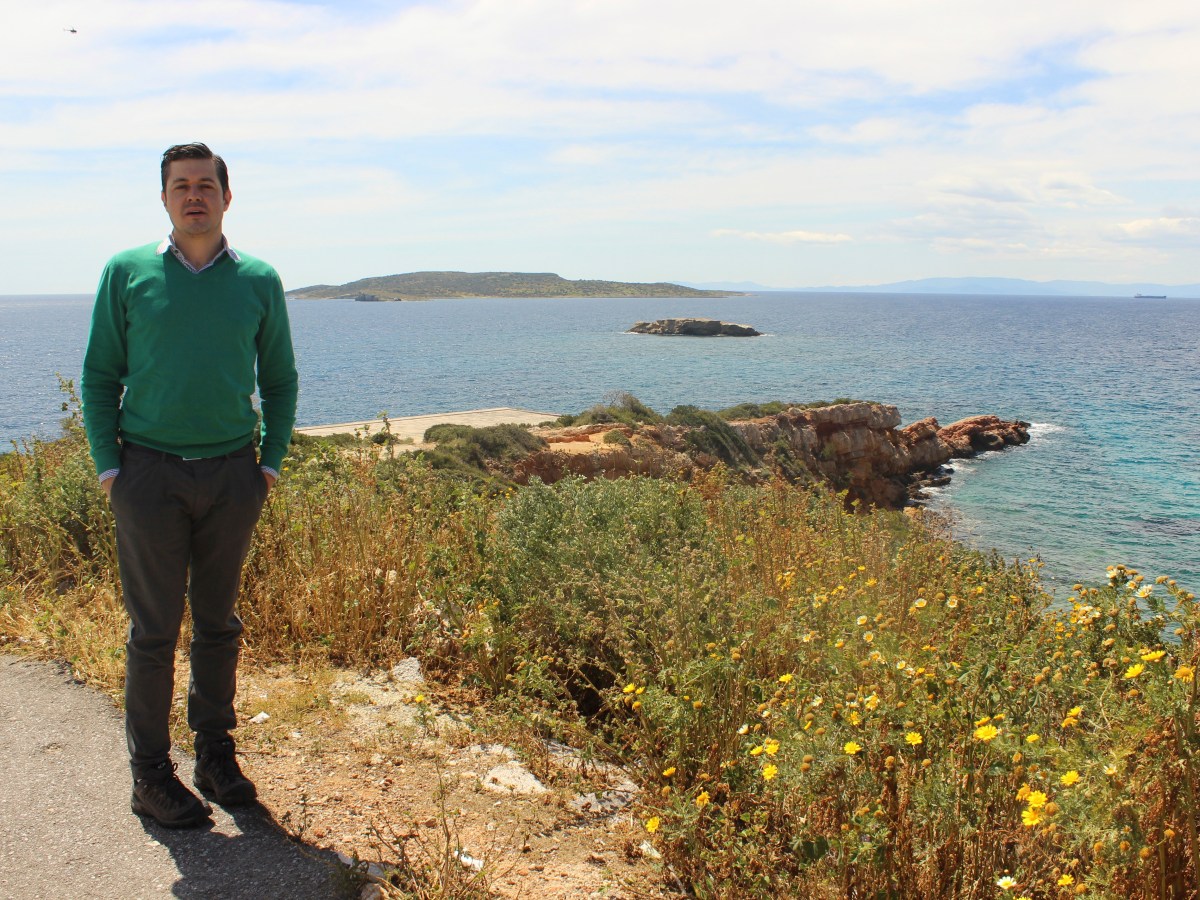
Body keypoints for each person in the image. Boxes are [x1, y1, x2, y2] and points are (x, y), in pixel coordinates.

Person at [81, 142, 298, 828]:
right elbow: (99, 376)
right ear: (166, 198)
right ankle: (150, 775)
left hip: (233, 474)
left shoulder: (258, 279)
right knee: (153, 632)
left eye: (206, 185)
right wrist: (111, 468)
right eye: (182, 186)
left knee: (218, 625)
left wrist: (268, 464)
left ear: (227, 198)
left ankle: (214, 757)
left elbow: (281, 381)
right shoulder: (127, 272)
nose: (194, 195)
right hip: (149, 474)